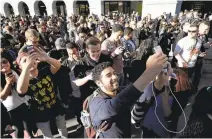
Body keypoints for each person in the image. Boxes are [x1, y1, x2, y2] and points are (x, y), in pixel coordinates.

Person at [88, 52, 168, 138]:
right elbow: (115, 105)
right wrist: (149, 71)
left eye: (114, 73)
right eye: (108, 75)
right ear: (99, 82)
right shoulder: (95, 103)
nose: (115, 77)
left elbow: (143, 94)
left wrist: (160, 78)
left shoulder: (120, 90)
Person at [16, 47, 68, 139]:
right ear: (20, 67)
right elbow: (21, 90)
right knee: (48, 135)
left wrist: (47, 58)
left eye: (31, 58)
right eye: (25, 61)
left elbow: (58, 66)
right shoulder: (24, 81)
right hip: (40, 113)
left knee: (62, 128)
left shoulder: (45, 71)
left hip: (56, 105)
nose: (29, 61)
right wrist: (27, 68)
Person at [0, 50, 37, 138]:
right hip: (12, 108)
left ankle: (31, 136)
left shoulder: (16, 70)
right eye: (0, 64)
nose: (3, 65)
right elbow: (2, 96)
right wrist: (8, 84)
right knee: (18, 128)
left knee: (29, 123)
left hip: (24, 102)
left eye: (5, 62)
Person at [73, 37, 113, 101]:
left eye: (98, 50)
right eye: (93, 51)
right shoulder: (81, 64)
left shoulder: (106, 58)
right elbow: (76, 82)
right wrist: (88, 77)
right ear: (87, 50)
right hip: (90, 96)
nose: (96, 54)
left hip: (106, 93)